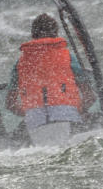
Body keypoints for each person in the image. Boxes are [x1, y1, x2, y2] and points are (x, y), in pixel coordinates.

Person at [5, 13, 95, 146]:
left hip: (35, 122)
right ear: (56, 34)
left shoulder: (20, 63)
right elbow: (89, 96)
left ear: (33, 36)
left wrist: (30, 113)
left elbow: (10, 104)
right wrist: (78, 111)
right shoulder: (68, 57)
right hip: (67, 116)